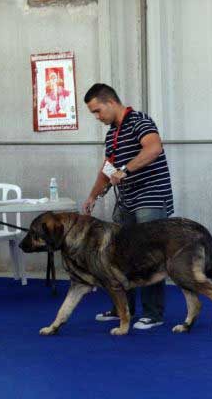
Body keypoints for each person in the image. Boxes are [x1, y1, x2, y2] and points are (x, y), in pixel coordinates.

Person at [82, 83, 174, 330]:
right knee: (119, 254)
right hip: (126, 201)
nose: (97, 117)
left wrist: (126, 169)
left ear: (111, 102)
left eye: (98, 111)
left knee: (150, 253)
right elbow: (107, 169)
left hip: (151, 197)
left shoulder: (140, 121)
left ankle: (153, 313)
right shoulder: (112, 133)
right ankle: (124, 309)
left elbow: (154, 147)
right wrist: (92, 196)